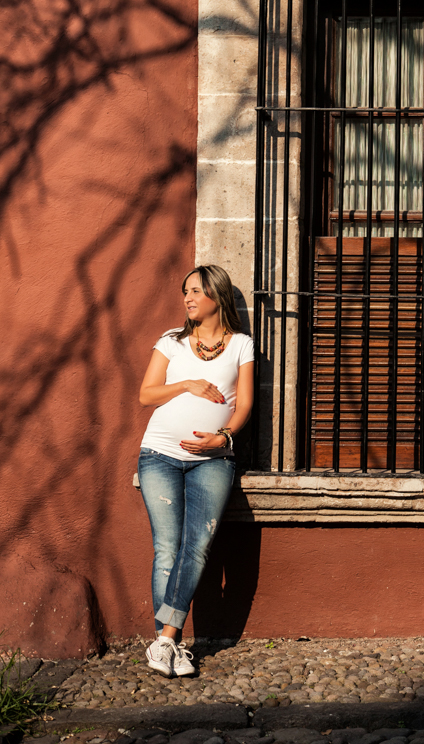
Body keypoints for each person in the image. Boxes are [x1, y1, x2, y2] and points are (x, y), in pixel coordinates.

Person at [137, 264, 254, 677]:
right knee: (167, 548)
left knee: (197, 546)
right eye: (185, 291)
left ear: (216, 297)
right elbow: (146, 394)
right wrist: (186, 384)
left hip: (214, 460)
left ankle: (165, 640)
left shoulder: (241, 345)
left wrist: (223, 437)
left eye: (196, 291)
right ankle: (171, 645)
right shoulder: (171, 343)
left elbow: (244, 405)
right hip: (159, 455)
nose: (187, 298)